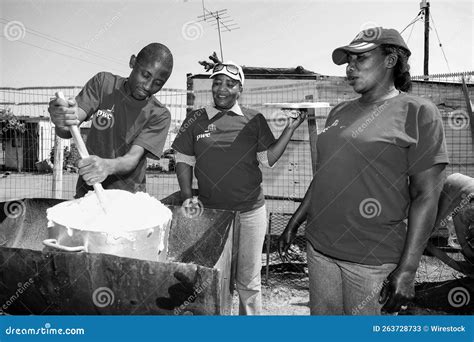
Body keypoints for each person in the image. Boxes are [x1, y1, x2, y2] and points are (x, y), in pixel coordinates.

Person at [278, 27, 449, 315]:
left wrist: (408, 268)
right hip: (320, 249)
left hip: (372, 259)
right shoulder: (339, 112)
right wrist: (296, 220)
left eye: (360, 58)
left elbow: (426, 195)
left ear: (390, 61)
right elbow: (324, 174)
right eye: (348, 60)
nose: (350, 67)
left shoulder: (418, 112)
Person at [172, 61, 306, 315]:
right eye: (217, 82)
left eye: (230, 84)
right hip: (211, 215)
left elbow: (267, 159)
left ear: (240, 89)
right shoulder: (196, 119)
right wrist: (188, 196)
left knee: (248, 282)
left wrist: (289, 129)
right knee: (213, 278)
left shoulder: (253, 119)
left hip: (250, 212)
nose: (222, 89)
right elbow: (183, 159)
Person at [48, 43, 173, 198]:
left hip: (129, 198)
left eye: (158, 83)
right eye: (145, 75)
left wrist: (106, 166)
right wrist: (62, 119)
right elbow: (67, 131)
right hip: (88, 194)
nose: (148, 86)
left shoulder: (159, 115)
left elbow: (132, 158)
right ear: (133, 62)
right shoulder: (103, 84)